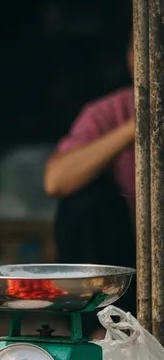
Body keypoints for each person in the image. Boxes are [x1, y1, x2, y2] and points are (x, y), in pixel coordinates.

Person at [43, 40, 136, 325]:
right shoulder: (111, 112)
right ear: (132, 56)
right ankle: (96, 330)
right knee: (83, 202)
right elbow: (56, 181)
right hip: (128, 271)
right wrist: (135, 127)